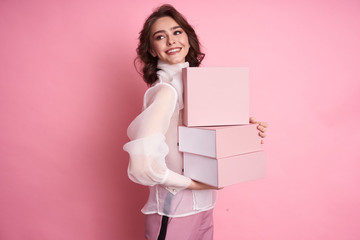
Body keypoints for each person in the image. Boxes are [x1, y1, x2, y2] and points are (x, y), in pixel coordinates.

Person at [123, 4, 268, 240]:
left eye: (177, 32)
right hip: (173, 211)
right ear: (151, 49)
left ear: (188, 38)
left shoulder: (198, 88)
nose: (171, 41)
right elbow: (143, 166)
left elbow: (204, 139)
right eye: (161, 37)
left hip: (203, 207)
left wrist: (244, 131)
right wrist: (195, 184)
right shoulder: (166, 92)